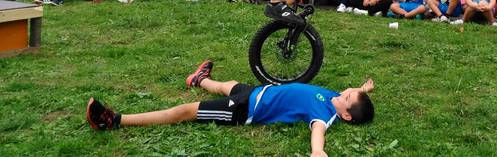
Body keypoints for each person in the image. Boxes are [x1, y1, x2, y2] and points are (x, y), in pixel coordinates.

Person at [86, 60, 374, 157]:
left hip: (245, 110)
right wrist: (364, 91)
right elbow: (354, 95)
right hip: (257, 93)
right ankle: (200, 79)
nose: (346, 92)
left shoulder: (324, 115)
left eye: (348, 97)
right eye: (349, 91)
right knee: (230, 84)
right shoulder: (337, 98)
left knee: (187, 110)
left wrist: (317, 151)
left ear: (345, 115)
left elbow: (317, 132)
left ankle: (114, 120)